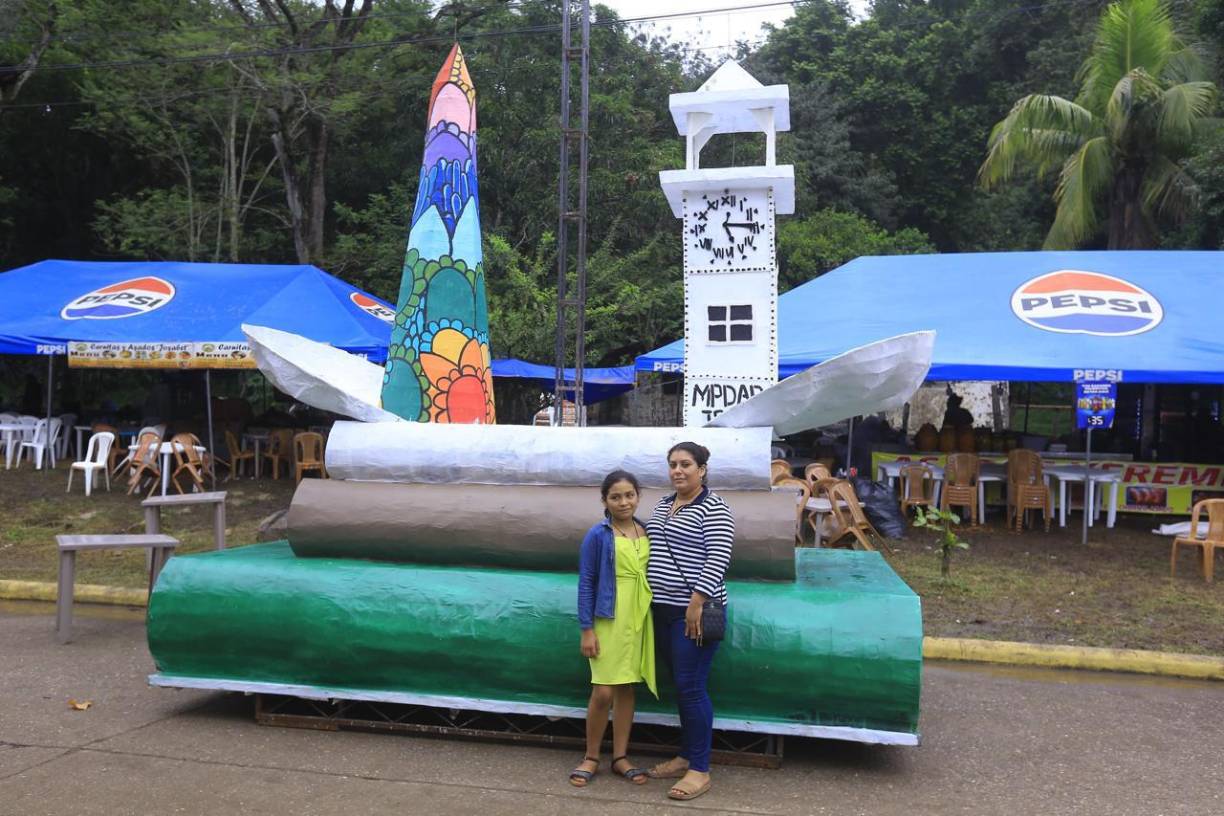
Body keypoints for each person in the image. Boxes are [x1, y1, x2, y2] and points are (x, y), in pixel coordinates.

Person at [644, 441, 734, 801]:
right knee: (681, 686)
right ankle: (685, 755)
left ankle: (700, 769)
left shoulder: (714, 507)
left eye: (685, 464)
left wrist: (696, 602)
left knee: (691, 687)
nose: (678, 470)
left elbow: (718, 557)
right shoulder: (665, 505)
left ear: (702, 469)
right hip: (662, 610)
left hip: (694, 612)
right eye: (672, 464)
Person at [570, 470, 657, 788]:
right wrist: (586, 629)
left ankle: (620, 757)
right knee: (603, 689)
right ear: (605, 500)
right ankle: (591, 756)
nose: (624, 502)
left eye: (629, 495)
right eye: (616, 496)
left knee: (626, 688)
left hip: (639, 616)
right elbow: (586, 582)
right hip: (608, 617)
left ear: (638, 496)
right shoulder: (598, 535)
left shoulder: (646, 529)